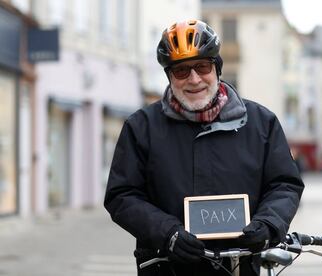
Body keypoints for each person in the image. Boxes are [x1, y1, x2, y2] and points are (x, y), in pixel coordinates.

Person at [104, 19, 304, 276]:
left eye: (202, 66)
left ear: (217, 68)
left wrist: (268, 224)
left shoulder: (261, 123)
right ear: (169, 76)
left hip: (241, 266)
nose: (194, 79)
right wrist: (167, 233)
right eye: (182, 71)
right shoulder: (141, 127)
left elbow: (284, 184)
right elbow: (122, 195)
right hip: (167, 267)